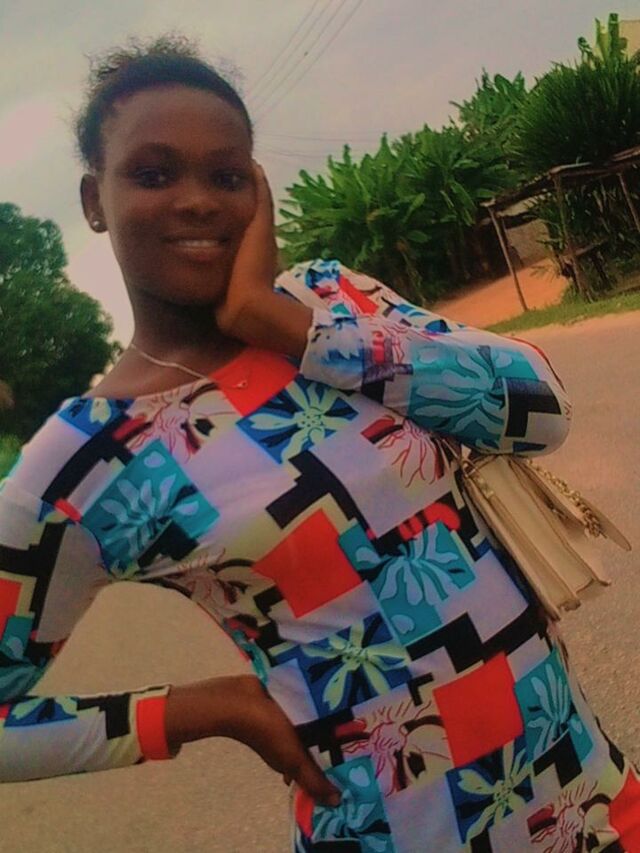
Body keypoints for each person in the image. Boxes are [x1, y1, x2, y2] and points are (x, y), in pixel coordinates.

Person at [1, 36, 638, 853]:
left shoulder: (333, 301)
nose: (197, 201)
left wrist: (291, 328)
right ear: (95, 198)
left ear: (258, 188)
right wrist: (199, 709)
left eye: (226, 175)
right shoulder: (88, 458)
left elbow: (541, 409)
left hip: (590, 802)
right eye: (153, 174)